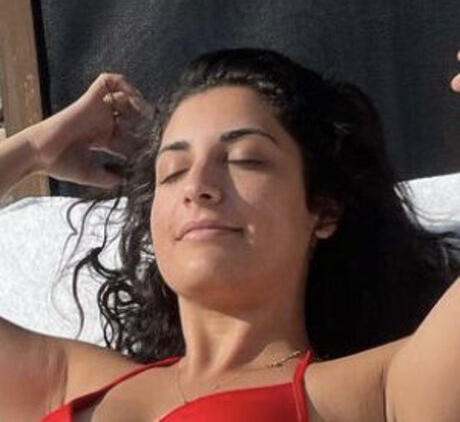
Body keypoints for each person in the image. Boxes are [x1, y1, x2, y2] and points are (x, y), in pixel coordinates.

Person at [0, 48, 459, 421]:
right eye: (172, 170)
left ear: (323, 209)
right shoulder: (68, 382)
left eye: (245, 160)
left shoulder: (382, 391)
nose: (197, 186)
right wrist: (36, 149)